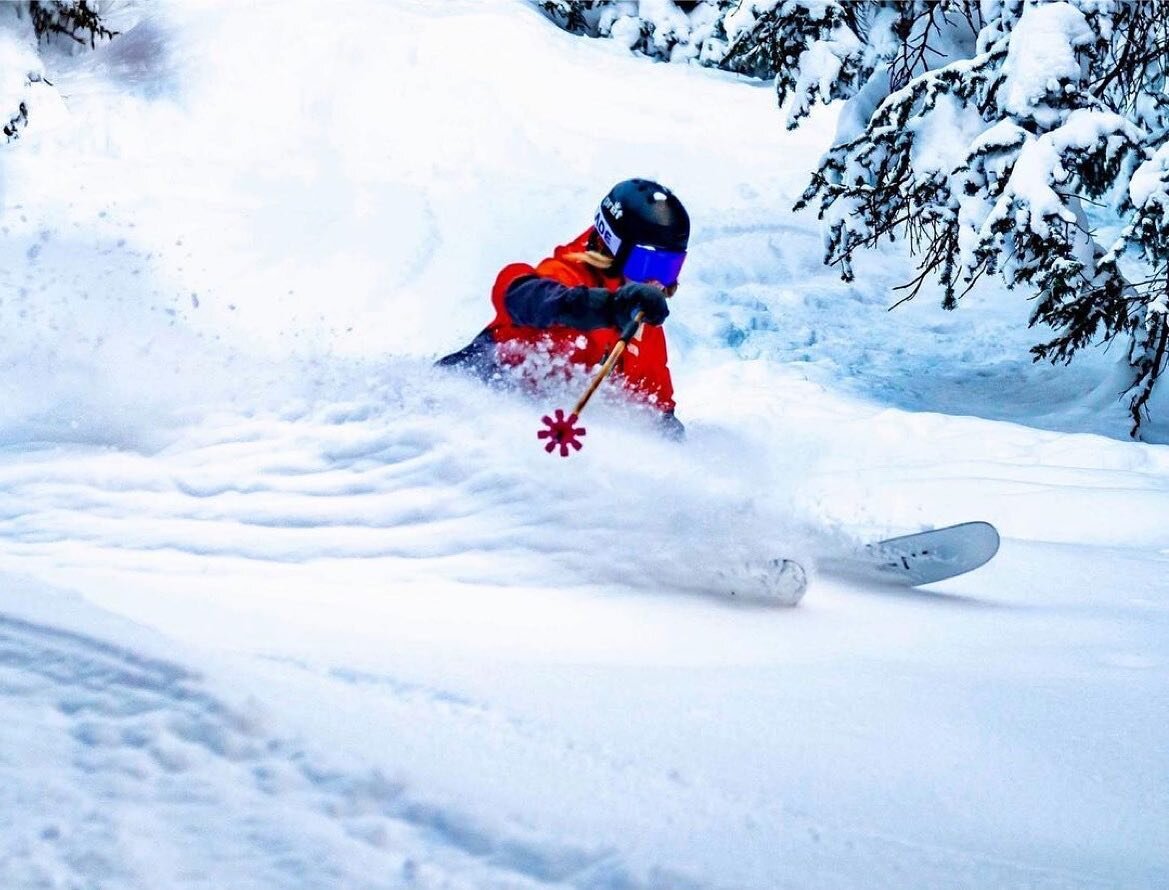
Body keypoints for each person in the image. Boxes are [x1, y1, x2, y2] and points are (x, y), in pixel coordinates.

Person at [438, 178, 689, 439]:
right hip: (465, 412)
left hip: (536, 441)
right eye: (648, 264)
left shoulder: (645, 332)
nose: (657, 282)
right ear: (612, 247)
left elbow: (657, 412)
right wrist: (608, 307)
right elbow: (519, 295)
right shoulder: (562, 277)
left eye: (669, 268)